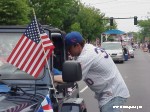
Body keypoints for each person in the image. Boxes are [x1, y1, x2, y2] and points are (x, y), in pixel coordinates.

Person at [65, 31, 130, 112]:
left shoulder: (86, 56)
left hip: (112, 95)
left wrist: (53, 76)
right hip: (111, 93)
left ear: (77, 45)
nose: (68, 51)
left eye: (69, 48)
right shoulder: (89, 48)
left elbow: (70, 77)